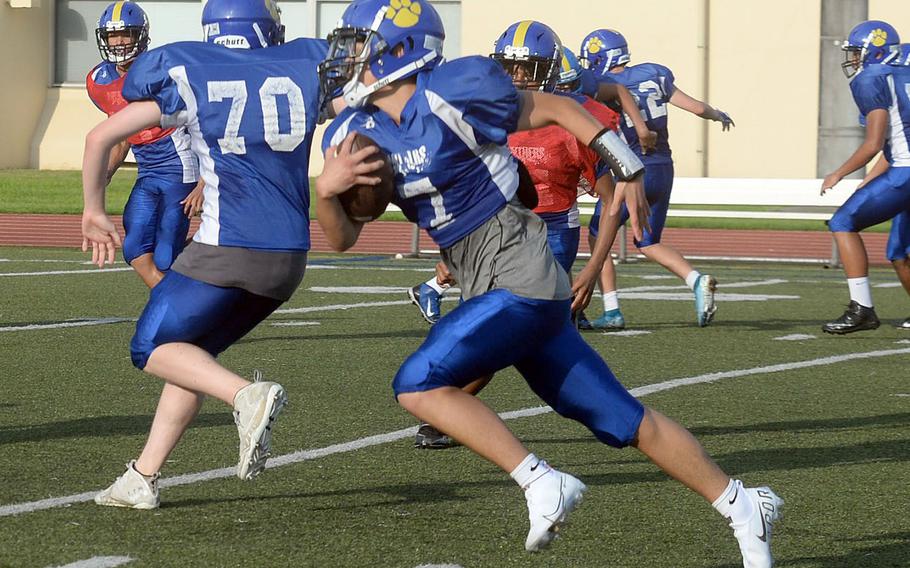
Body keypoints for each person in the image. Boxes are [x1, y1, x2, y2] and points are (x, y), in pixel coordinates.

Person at [316, 1, 782, 563]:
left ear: (398, 48)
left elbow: (558, 105)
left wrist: (625, 165)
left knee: (417, 382)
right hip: (485, 282)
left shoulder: (453, 91)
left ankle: (542, 481)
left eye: (357, 42)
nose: (346, 55)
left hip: (522, 269)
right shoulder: (355, 130)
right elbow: (341, 237)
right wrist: (327, 189)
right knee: (623, 422)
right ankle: (741, 504)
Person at [81, 0, 327, 508]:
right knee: (190, 353)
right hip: (290, 258)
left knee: (149, 348)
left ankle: (245, 396)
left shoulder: (196, 78)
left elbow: (100, 134)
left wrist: (91, 209)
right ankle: (142, 476)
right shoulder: (304, 72)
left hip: (227, 245)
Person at [578, 28, 735, 329]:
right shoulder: (654, 74)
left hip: (630, 171)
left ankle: (611, 310)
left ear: (599, 58)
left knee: (599, 235)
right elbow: (698, 108)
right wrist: (718, 114)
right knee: (648, 241)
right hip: (664, 168)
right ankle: (696, 280)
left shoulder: (601, 85)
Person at [87, 1, 203, 289]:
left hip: (180, 161)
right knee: (135, 246)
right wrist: (107, 172)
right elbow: (120, 134)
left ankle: (177, 309)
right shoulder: (98, 81)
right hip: (147, 167)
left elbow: (204, 126)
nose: (119, 41)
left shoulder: (164, 70)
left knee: (165, 255)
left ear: (141, 35)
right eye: (113, 35)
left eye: (126, 33)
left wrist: (204, 182)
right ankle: (173, 306)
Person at [821, 21, 910, 334]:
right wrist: (870, 180)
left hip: (905, 172)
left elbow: (874, 144)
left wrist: (838, 173)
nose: (854, 58)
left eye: (857, 51)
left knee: (843, 222)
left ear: (875, 49)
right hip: (901, 166)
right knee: (900, 251)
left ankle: (862, 310)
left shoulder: (872, 78)